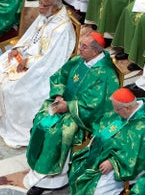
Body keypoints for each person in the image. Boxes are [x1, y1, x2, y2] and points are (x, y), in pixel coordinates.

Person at [24, 32, 119, 194]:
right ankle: (39, 167)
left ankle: (52, 180)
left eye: (84, 46)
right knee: (41, 118)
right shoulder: (80, 60)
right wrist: (59, 94)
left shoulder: (104, 73)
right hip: (63, 103)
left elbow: (96, 106)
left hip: (80, 116)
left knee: (56, 132)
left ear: (96, 51)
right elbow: (59, 75)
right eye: (80, 44)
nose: (79, 49)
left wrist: (69, 106)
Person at [0, 0, 76, 148]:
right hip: (27, 56)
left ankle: (17, 129)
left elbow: (53, 59)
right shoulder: (45, 14)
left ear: (54, 8)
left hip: (42, 68)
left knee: (13, 89)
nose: (39, 6)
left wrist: (28, 62)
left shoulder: (62, 29)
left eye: (43, 5)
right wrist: (18, 48)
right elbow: (30, 36)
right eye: (40, 2)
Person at [69, 87, 145, 195]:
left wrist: (113, 163)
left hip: (123, 166)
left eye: (117, 109)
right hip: (104, 154)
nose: (114, 112)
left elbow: (139, 157)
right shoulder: (126, 111)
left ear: (127, 108)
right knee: (78, 167)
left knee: (97, 191)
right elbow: (105, 123)